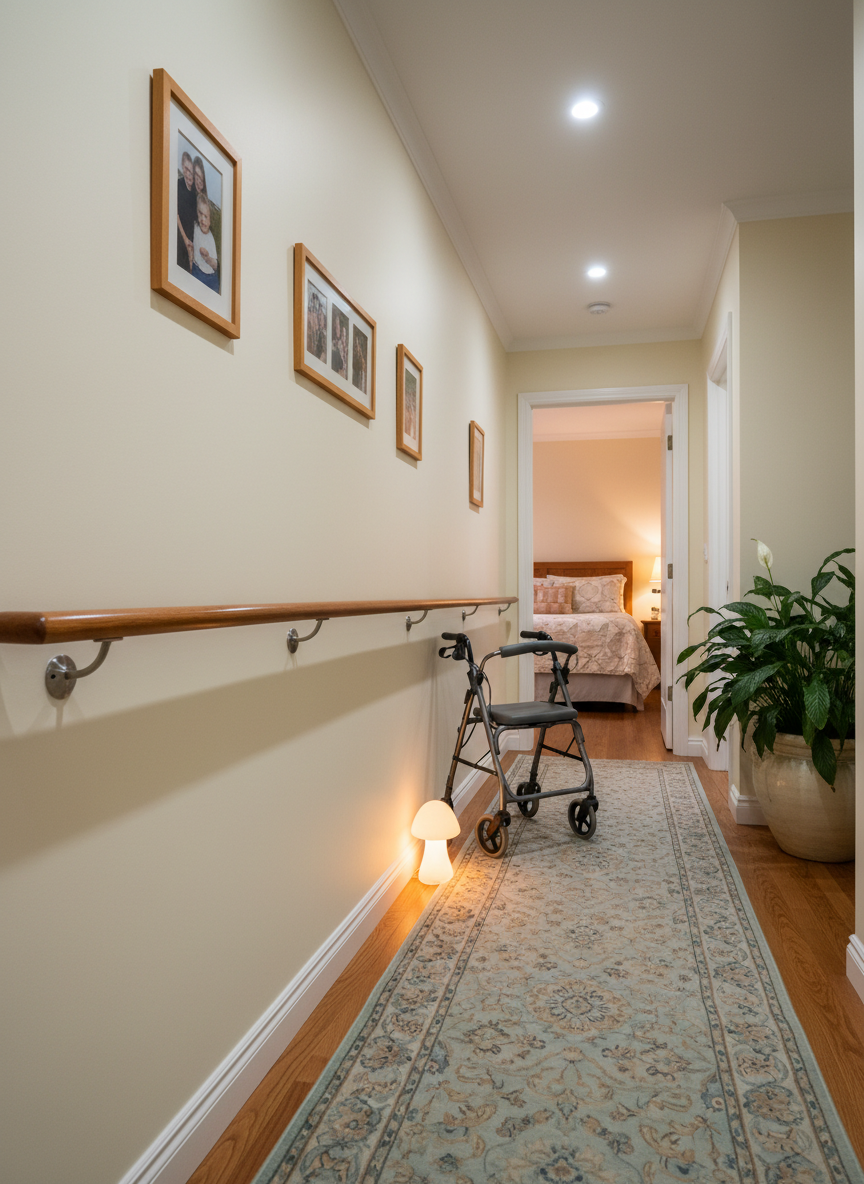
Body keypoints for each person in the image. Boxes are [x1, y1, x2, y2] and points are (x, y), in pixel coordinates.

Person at [191, 191, 219, 292]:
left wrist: (207, 258)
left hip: (210, 277)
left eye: (206, 216)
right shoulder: (195, 228)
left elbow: (215, 265)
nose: (203, 219)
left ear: (210, 220)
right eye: (200, 214)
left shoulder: (210, 238)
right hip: (197, 270)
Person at [176, 151, 196, 271]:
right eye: (186, 170)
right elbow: (175, 213)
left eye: (191, 171)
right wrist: (185, 239)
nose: (189, 175)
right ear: (183, 169)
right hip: (179, 236)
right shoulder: (178, 185)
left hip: (191, 241)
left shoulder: (194, 194)